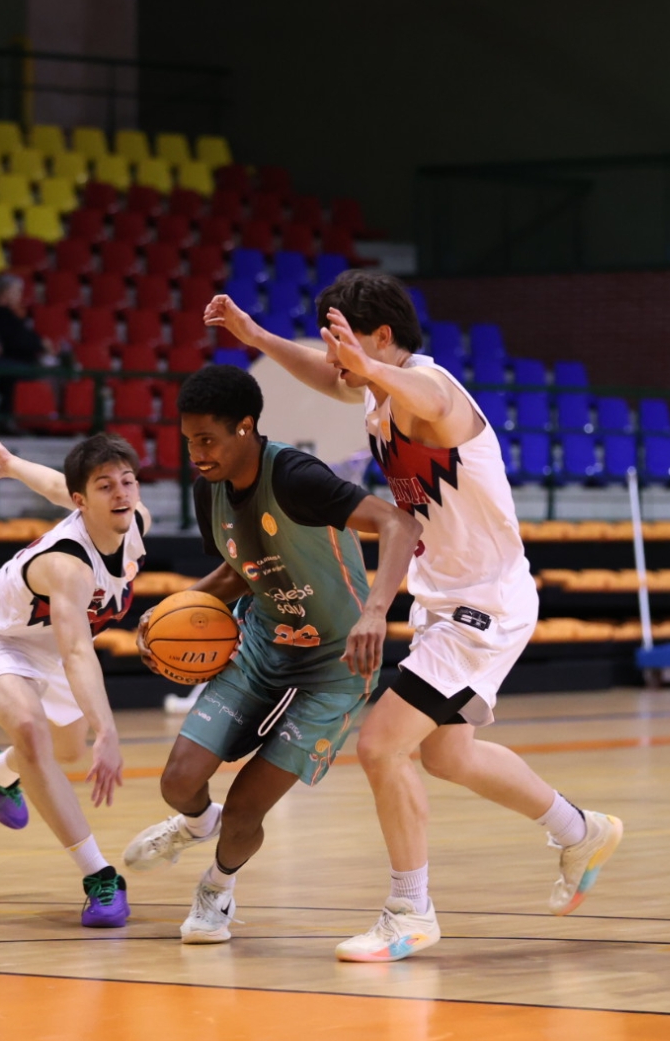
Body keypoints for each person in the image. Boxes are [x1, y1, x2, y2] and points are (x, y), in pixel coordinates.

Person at [207, 272, 624, 962]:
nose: (334, 358)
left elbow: (426, 397)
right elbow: (330, 378)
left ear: (379, 336)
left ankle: (411, 910)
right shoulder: (376, 390)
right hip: (450, 599)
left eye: (343, 341)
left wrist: (367, 367)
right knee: (445, 752)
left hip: (483, 603)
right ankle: (579, 830)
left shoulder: (432, 394)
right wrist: (256, 337)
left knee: (380, 745)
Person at [119, 365, 421, 943]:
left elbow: (398, 524)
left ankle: (217, 890)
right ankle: (193, 822)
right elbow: (241, 570)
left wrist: (377, 610)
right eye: (188, 441)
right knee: (178, 781)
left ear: (246, 428)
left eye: (206, 439)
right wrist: (171, 613)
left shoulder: (298, 478)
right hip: (262, 644)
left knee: (244, 811)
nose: (196, 453)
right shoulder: (207, 488)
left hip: (335, 666)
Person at [0, 431, 150, 928]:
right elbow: (79, 651)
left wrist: (13, 463)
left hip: (53, 649)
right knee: (32, 732)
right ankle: (100, 877)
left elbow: (61, 487)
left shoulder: (133, 520)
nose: (122, 494)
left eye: (128, 481)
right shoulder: (67, 566)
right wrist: (109, 730)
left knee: (64, 755)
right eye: (106, 487)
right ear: (84, 502)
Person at [0, 275, 50, 367]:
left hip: (18, 360)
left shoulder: (9, 312)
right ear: (5, 292)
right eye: (18, 291)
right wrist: (40, 343)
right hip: (5, 362)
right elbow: (16, 339)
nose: (20, 295)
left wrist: (40, 342)